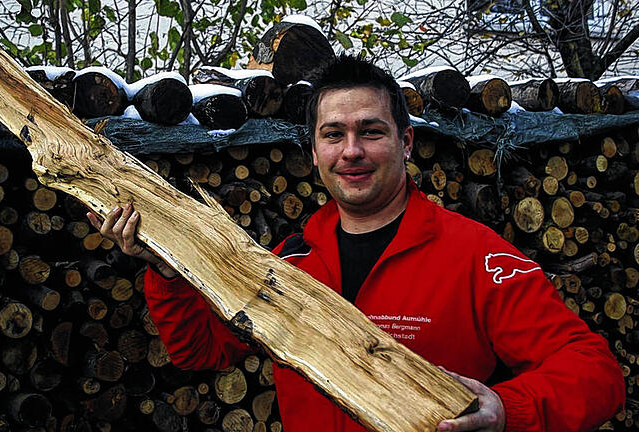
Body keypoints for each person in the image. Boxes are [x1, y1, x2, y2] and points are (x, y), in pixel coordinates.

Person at [88, 54, 625, 432]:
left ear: (405, 141)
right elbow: (202, 352)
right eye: (333, 134)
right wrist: (168, 268)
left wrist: (509, 410)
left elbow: (596, 372)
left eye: (371, 131)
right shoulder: (289, 261)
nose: (351, 151)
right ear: (315, 150)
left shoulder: (476, 256)